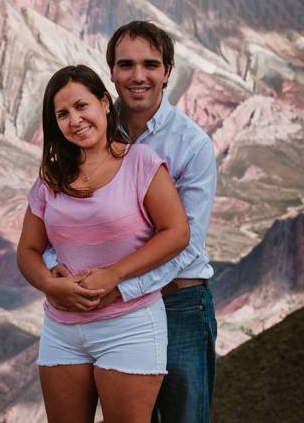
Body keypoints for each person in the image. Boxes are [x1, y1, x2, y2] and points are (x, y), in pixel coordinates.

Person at [45, 21, 218, 423]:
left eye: (150, 64)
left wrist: (120, 287)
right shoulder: (90, 128)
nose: (138, 76)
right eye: (126, 64)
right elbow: (60, 213)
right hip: (103, 309)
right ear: (111, 73)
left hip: (179, 305)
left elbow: (186, 243)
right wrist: (58, 267)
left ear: (167, 72)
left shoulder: (190, 145)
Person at [17, 64, 190, 423]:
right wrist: (50, 284)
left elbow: (176, 232)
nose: (74, 120)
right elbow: (28, 250)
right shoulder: (51, 178)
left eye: (82, 106)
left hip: (130, 325)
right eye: (62, 114)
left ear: (104, 103)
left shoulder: (140, 163)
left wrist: (114, 275)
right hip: (62, 329)